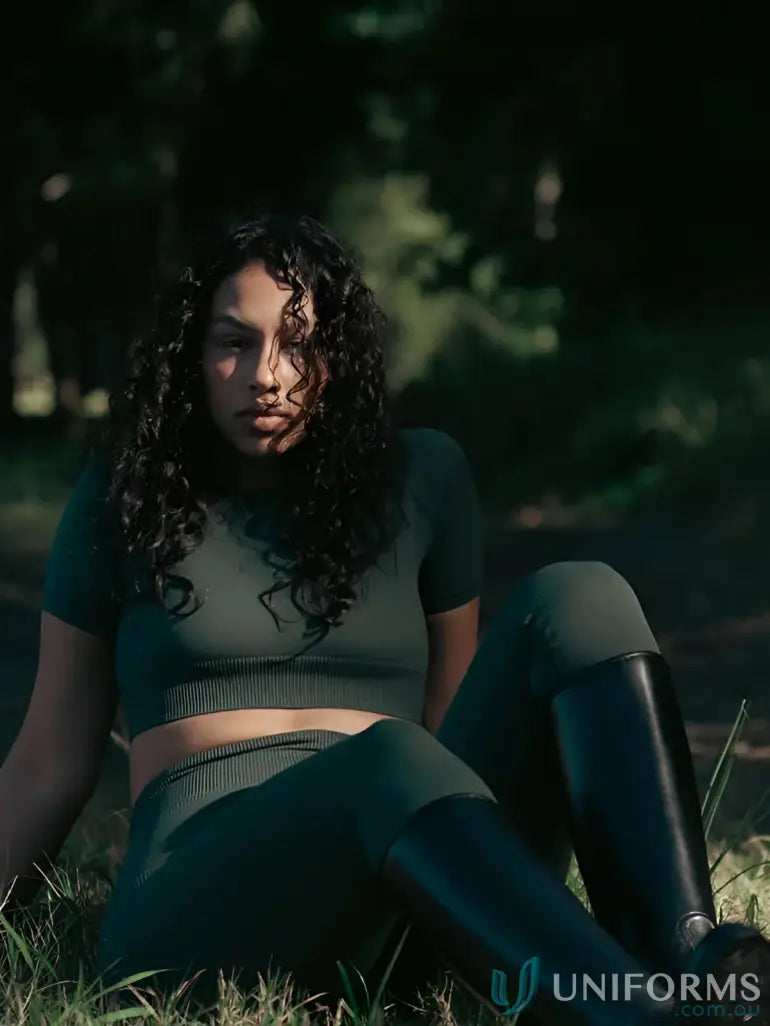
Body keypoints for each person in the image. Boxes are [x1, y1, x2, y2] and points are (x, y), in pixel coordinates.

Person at [6, 210, 768, 1024]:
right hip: (203, 897)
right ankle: (631, 1018)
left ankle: (687, 958)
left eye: (298, 343)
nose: (267, 374)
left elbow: (459, 724)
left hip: (403, 878)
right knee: (386, 758)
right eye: (233, 342)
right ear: (191, 356)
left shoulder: (423, 479)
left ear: (337, 358)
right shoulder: (123, 497)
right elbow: (49, 761)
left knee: (583, 593)